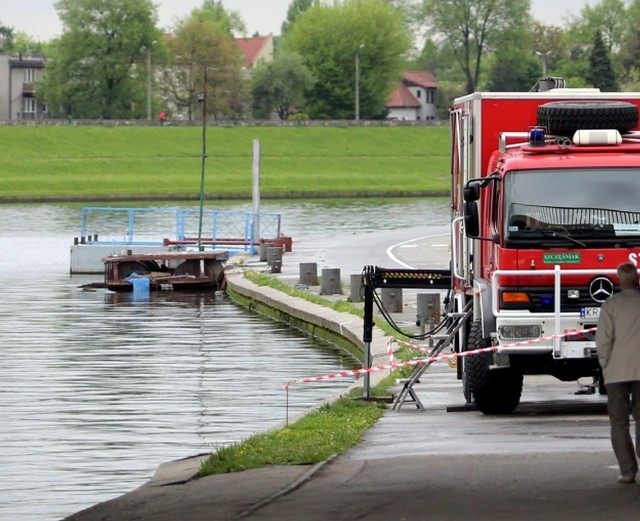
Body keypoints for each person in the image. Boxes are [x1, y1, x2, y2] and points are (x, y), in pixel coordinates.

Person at [596, 262, 640, 484]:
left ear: (619, 280)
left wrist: (606, 365)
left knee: (619, 422)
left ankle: (628, 470)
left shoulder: (610, 305)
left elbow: (603, 341)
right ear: (636, 278)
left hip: (617, 371)